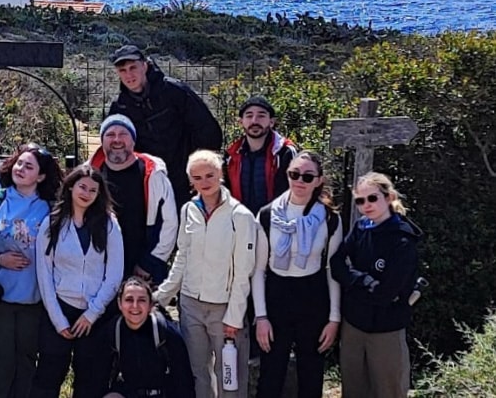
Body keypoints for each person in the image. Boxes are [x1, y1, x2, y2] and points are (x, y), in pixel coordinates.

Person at [154, 150, 257, 398]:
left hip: (224, 309)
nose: (204, 182)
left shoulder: (240, 216)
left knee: (230, 375)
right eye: (197, 177)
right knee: (199, 372)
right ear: (191, 180)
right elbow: (182, 256)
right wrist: (162, 296)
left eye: (210, 175)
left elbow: (244, 271)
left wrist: (234, 316)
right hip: (190, 305)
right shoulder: (189, 209)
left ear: (221, 174)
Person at [252, 151, 342, 398]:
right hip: (277, 295)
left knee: (311, 375)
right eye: (294, 174)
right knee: (270, 375)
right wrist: (261, 317)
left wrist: (334, 319)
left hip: (313, 295)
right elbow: (259, 270)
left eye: (307, 176)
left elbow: (333, 270)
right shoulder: (268, 215)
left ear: (319, 180)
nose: (300, 181)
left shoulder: (330, 219)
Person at [31, 164, 124, 398]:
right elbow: (44, 275)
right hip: (59, 310)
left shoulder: (109, 224)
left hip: (94, 315)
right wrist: (58, 320)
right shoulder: (52, 223)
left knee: (90, 381)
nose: (86, 193)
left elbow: (114, 275)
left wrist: (92, 314)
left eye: (93, 190)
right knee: (48, 378)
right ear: (71, 187)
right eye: (82, 187)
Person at [0, 143, 63, 398]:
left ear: (41, 176)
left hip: (34, 300)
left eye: (29, 166)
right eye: (19, 163)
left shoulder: (51, 208)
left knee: (26, 365)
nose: (21, 169)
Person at [331, 172, 422, 398]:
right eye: (360, 201)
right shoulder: (361, 227)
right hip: (354, 325)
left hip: (386, 329)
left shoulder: (403, 239)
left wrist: (352, 282)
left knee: (388, 391)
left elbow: (384, 294)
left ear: (389, 197)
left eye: (372, 198)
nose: (366, 205)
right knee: (353, 390)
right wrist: (364, 281)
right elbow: (336, 263)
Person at [107, 45, 223, 210]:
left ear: (145, 66)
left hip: (186, 177)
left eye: (133, 67)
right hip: (150, 181)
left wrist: (201, 170)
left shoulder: (174, 91)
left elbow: (206, 129)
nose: (129, 74)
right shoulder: (120, 107)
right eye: (123, 70)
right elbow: (116, 147)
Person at [89, 114, 177, 284]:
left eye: (123, 134)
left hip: (142, 271)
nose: (117, 140)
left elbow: (169, 223)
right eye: (110, 134)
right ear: (102, 140)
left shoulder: (153, 174)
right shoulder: (91, 173)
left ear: (133, 140)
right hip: (99, 270)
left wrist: (149, 264)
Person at [104, 277, 196, 398]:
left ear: (150, 305)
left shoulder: (166, 332)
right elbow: (97, 379)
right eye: (129, 300)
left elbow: (184, 382)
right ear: (119, 304)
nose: (135, 306)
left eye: (142, 300)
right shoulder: (113, 331)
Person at [223, 96, 297, 216]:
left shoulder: (285, 152)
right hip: (241, 223)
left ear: (271, 122)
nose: (254, 121)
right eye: (249, 116)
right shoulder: (231, 155)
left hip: (276, 223)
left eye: (261, 116)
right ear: (241, 122)